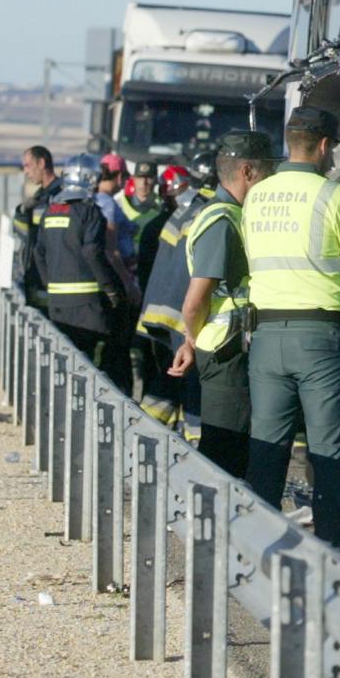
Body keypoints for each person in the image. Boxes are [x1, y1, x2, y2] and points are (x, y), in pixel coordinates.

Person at [244, 108, 340, 551]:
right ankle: (334, 558)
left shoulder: (256, 196)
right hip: (319, 338)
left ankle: (258, 551)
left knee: (266, 450)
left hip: (264, 338)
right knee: (330, 450)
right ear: (323, 146)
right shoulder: (334, 196)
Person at [170, 133, 275, 478]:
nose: (271, 180)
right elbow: (194, 301)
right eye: (267, 172)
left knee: (232, 451)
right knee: (223, 454)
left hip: (225, 347)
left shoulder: (230, 215)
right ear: (247, 172)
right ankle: (208, 527)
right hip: (225, 352)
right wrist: (191, 339)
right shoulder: (222, 223)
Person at [33, 155, 132, 392]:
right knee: (94, 366)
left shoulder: (51, 211)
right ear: (91, 179)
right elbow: (93, 254)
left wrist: (52, 285)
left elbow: (39, 254)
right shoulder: (89, 212)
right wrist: (112, 288)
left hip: (57, 305)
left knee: (66, 367)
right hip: (89, 307)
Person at [135, 153, 220, 424]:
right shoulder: (211, 210)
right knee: (192, 379)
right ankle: (195, 446)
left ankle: (144, 428)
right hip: (183, 314)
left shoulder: (187, 210)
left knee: (172, 375)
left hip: (160, 311)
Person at [15, 145, 60, 309]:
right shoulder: (39, 197)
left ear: (41, 163)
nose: (25, 171)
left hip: (50, 277)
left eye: (28, 165)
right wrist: (21, 213)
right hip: (36, 275)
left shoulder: (59, 195)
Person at [120, 161, 170, 286]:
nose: (144, 183)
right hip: (127, 270)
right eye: (140, 177)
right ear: (133, 179)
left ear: (156, 180)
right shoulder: (120, 206)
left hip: (153, 269)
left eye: (149, 178)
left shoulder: (164, 208)